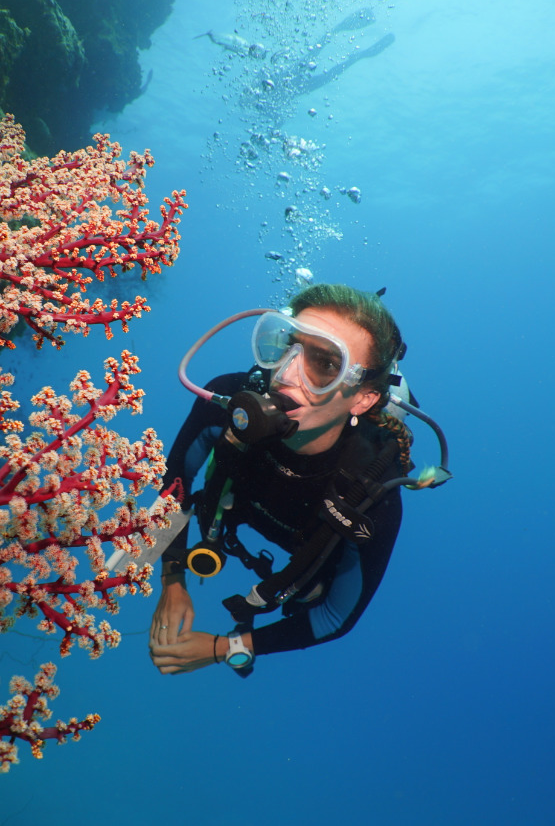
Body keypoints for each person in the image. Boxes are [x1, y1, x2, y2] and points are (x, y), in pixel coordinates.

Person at [148, 283, 440, 675]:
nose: (285, 374)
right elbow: (173, 485)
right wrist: (171, 578)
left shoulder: (372, 494)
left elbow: (337, 615)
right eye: (285, 346)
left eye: (325, 364)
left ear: (363, 398)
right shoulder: (227, 401)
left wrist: (224, 647)